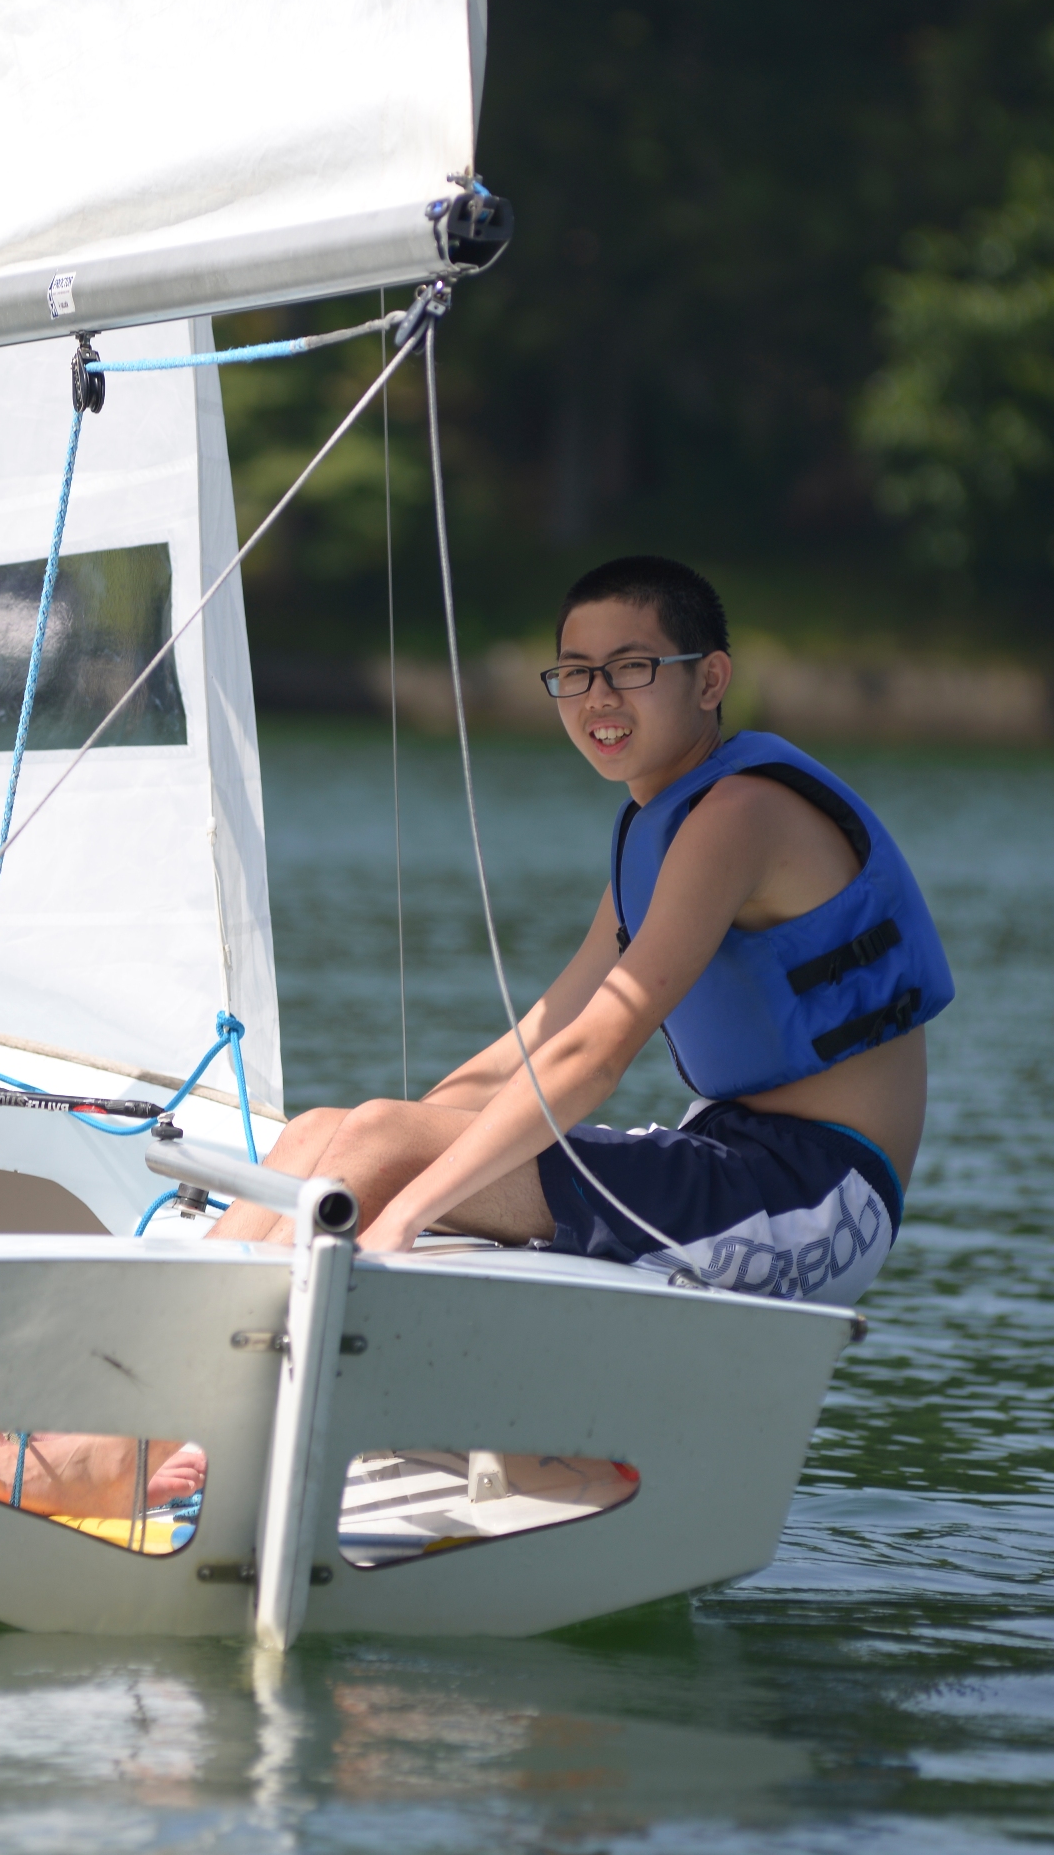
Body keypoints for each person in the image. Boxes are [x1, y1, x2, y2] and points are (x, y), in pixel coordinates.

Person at [210, 554, 950, 1304]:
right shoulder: (657, 829)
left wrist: (406, 1208)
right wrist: (398, 1133)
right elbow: (541, 1037)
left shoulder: (738, 817)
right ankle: (153, 1360)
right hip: (727, 1158)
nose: (599, 698)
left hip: (816, 1200)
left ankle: (167, 1394)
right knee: (319, 1134)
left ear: (711, 679)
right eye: (576, 673)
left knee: (376, 1144)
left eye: (631, 667)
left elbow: (595, 1055)